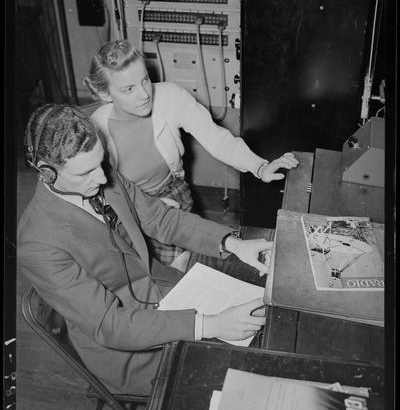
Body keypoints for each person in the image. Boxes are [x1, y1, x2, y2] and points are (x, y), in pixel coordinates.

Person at [17, 104, 272, 396]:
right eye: (86, 172)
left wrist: (233, 243)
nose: (102, 179)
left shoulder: (100, 174)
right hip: (130, 351)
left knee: (262, 331)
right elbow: (111, 325)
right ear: (46, 173)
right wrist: (210, 325)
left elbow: (160, 218)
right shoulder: (38, 244)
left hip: (165, 292)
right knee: (244, 379)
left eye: (101, 163)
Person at [83, 39, 298, 266]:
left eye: (145, 79)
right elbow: (100, 193)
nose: (144, 94)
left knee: (182, 265)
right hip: (126, 205)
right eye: (128, 89)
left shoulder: (169, 96)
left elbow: (215, 137)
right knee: (143, 271)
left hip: (173, 191)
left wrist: (260, 166)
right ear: (104, 93)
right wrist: (149, 207)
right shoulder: (95, 130)